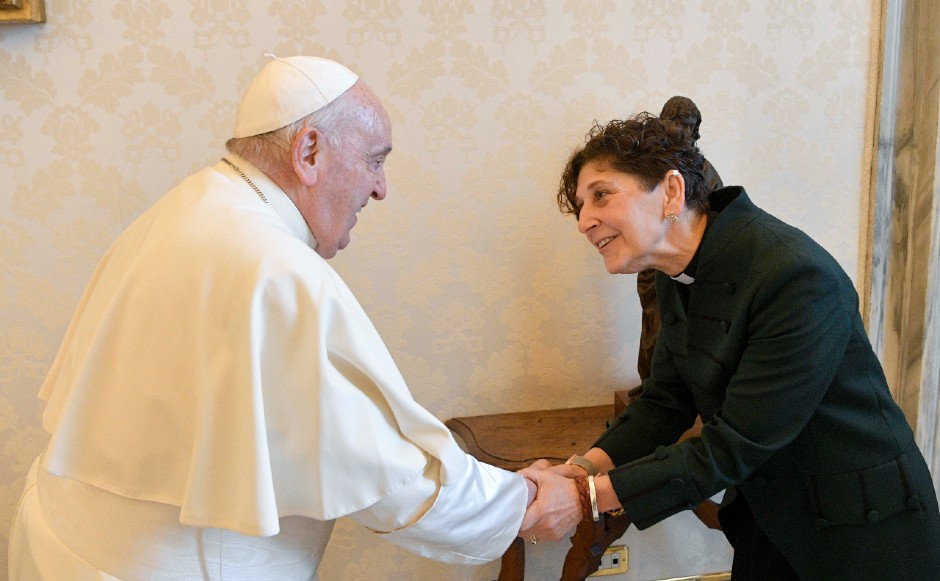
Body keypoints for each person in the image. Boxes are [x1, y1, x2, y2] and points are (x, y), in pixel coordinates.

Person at [7, 54, 571, 580]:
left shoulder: (190, 206)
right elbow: (388, 473)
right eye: (374, 161)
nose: (380, 188)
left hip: (64, 537)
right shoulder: (270, 266)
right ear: (308, 153)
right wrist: (522, 502)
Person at [523, 112, 940, 579]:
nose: (584, 221)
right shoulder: (672, 273)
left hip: (863, 529)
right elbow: (664, 404)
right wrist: (579, 470)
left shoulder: (795, 275)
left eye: (601, 195)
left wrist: (586, 498)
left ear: (672, 192)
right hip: (768, 516)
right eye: (580, 206)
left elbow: (733, 446)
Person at [635, 95, 723, 381]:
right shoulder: (650, 166)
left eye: (688, 125)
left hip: (693, 263)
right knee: (655, 322)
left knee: (696, 325)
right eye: (676, 124)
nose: (682, 132)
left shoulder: (703, 169)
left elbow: (719, 210)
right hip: (655, 258)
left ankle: (690, 388)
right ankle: (651, 385)